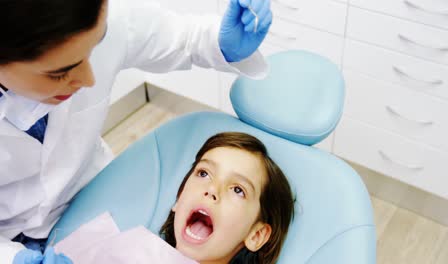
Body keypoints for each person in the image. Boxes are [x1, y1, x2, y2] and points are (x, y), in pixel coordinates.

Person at [0, 0, 272, 262]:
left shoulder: (96, 16)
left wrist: (221, 44)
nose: (89, 79)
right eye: (61, 72)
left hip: (94, 193)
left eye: (94, 48)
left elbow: (185, 38)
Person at [160, 132, 295, 263]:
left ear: (256, 235)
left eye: (238, 190)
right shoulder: (140, 245)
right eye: (203, 173)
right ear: (179, 198)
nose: (212, 189)